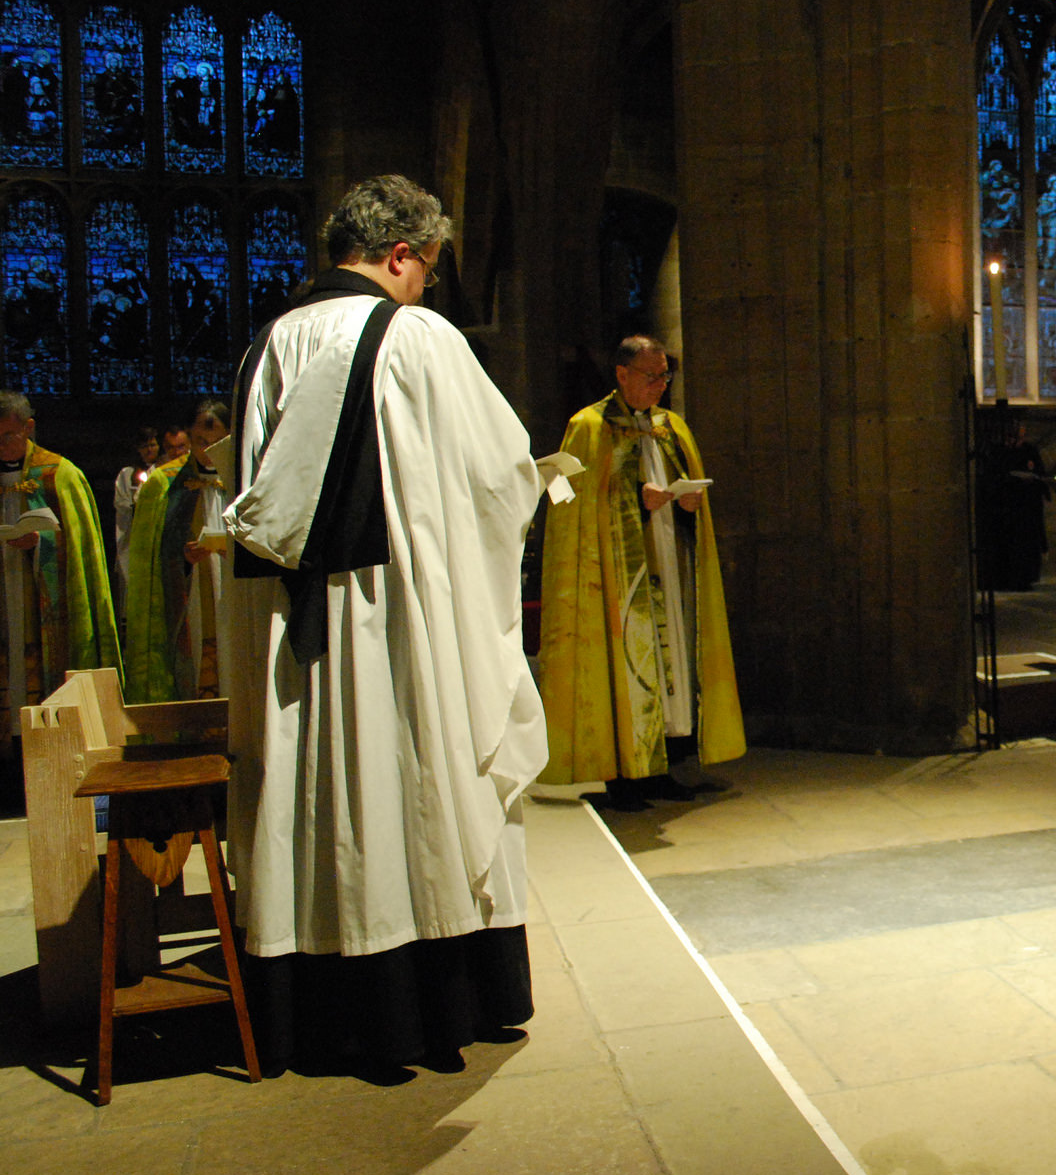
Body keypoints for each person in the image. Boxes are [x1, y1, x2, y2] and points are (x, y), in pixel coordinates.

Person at [221, 175, 545, 1074]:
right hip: (395, 626)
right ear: (400, 254)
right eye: (428, 268)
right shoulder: (417, 337)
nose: (426, 286)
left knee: (311, 790)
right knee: (406, 784)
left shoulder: (266, 343)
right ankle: (431, 1003)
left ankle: (317, 1008)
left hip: (292, 633)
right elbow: (495, 475)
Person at [538, 334, 745, 812]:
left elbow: (684, 489)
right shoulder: (589, 427)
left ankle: (665, 767)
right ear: (622, 374)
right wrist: (634, 498)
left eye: (665, 376)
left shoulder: (671, 427)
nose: (660, 385)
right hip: (618, 575)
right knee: (626, 666)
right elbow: (568, 501)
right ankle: (622, 779)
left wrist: (689, 504)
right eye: (651, 376)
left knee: (675, 661)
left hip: (670, 562)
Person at [0, 391, 120, 732]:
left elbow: (81, 547)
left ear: (29, 428)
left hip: (44, 606)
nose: (1, 445)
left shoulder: (59, 473)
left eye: (8, 436)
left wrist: (41, 543)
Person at [123, 401, 232, 702]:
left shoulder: (243, 475)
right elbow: (150, 557)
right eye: (200, 441)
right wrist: (183, 559)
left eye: (217, 442)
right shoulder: (164, 483)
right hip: (190, 599)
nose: (208, 450)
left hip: (234, 596)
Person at [976, 410, 1049, 591]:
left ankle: (1025, 578)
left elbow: (1040, 473)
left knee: (1026, 543)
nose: (1019, 436)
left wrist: (1035, 480)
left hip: (1027, 505)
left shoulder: (1029, 450)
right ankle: (1004, 579)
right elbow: (991, 478)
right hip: (1006, 506)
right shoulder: (997, 451)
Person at [109, 424, 158, 600]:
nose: (149, 450)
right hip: (134, 535)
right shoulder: (127, 474)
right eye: (144, 446)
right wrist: (136, 503)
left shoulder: (164, 470)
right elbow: (120, 504)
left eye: (152, 445)